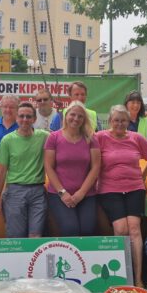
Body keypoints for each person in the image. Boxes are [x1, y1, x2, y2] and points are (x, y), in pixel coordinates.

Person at [96, 105, 147, 288]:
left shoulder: (136, 138)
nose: (120, 124)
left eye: (123, 120)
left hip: (134, 188)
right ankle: (122, 276)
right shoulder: (100, 137)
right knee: (121, 229)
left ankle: (138, 278)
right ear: (110, 121)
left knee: (135, 229)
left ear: (129, 122)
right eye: (116, 120)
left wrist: (143, 176)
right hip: (110, 189)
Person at [0, 102, 50, 237]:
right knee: (16, 237)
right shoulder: (7, 140)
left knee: (36, 236)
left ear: (34, 119)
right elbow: (2, 171)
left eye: (28, 117)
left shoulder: (44, 137)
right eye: (21, 116)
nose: (25, 119)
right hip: (14, 192)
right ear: (16, 118)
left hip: (38, 192)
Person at [44, 101, 101, 236]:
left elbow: (95, 167)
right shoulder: (54, 137)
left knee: (88, 230)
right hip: (59, 194)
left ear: (84, 119)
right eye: (73, 114)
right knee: (70, 229)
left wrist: (81, 193)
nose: (76, 119)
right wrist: (62, 193)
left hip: (86, 194)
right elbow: (48, 167)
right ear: (66, 115)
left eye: (80, 116)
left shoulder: (91, 138)